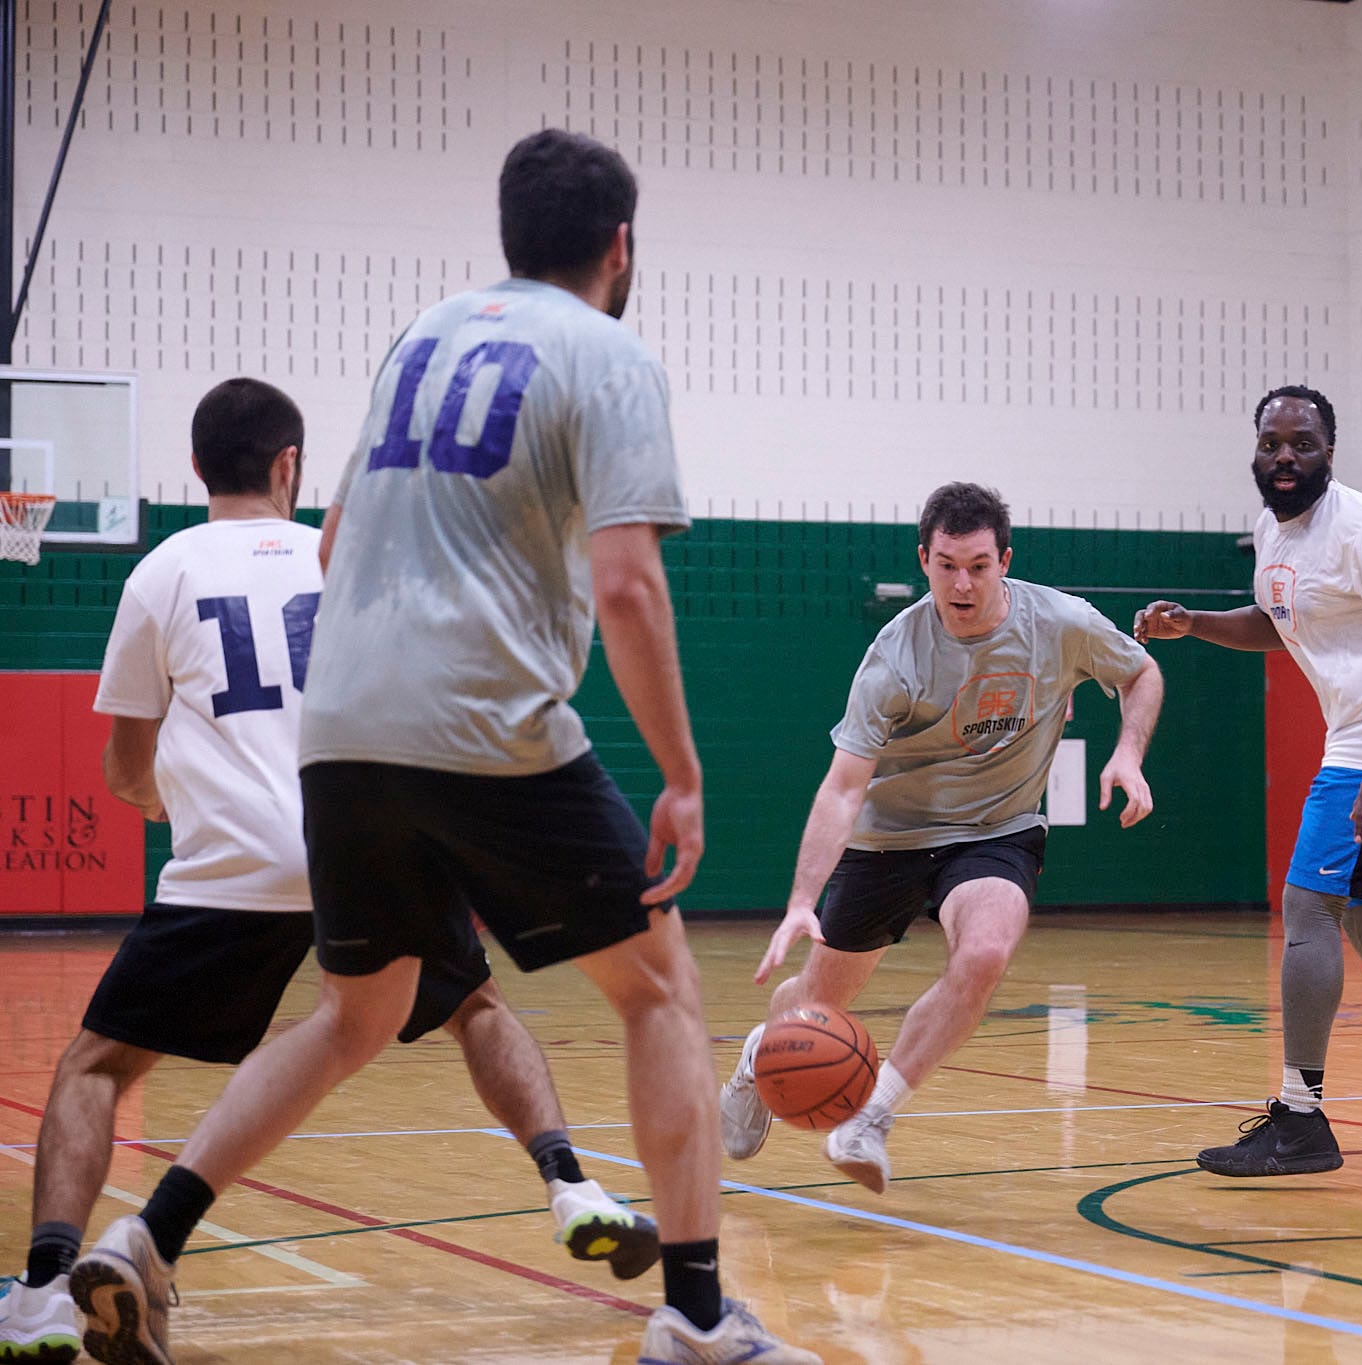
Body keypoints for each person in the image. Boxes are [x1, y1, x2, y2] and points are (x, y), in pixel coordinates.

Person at [66, 133, 816, 1365]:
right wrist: (682, 773)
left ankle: (147, 1239)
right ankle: (693, 1315)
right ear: (620, 246)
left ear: (510, 232)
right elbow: (628, 586)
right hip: (480, 720)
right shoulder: (608, 354)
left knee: (358, 1015)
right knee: (659, 989)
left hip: (339, 730)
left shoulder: (420, 339)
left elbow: (332, 547)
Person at [0, 379, 657, 1365]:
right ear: (289, 465)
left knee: (96, 1065)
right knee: (476, 1006)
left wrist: (162, 797)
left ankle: (46, 1291)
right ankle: (572, 1184)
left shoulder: (162, 572)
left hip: (236, 863)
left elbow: (127, 766)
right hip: (369, 838)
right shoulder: (347, 561)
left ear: (196, 466)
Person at [721, 481, 1163, 1193]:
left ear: (1004, 561)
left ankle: (870, 1119)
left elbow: (1142, 671)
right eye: (947, 565)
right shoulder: (895, 656)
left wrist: (1129, 754)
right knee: (816, 1003)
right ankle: (757, 1057)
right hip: (889, 838)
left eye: (979, 566)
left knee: (985, 952)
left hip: (997, 829)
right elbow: (843, 787)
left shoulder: (1060, 623)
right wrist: (803, 899)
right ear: (923, 559)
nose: (962, 584)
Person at [1134, 384, 1362, 1182]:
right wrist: (1194, 624)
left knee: (1308, 906)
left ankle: (1300, 1119)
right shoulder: (1273, 530)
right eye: (1272, 443)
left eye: (1302, 443)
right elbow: (1280, 622)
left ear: (1329, 452)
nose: (1285, 456)